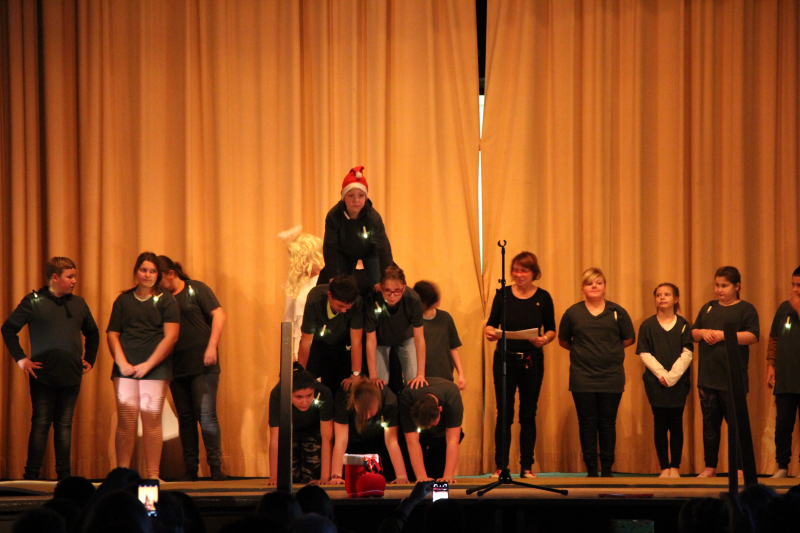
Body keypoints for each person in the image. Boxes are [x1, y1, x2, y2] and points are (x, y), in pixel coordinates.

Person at [2, 256, 100, 481]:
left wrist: (90, 358)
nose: (75, 281)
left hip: (71, 374)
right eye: (70, 276)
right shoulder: (33, 301)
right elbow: (8, 329)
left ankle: (64, 477)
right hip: (43, 375)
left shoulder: (79, 304)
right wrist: (21, 359)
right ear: (55, 278)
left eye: (75, 276)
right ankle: (31, 476)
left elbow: (93, 333)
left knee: (64, 426)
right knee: (40, 424)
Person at [107, 252, 180, 480]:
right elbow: (112, 333)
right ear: (136, 272)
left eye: (152, 271)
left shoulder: (167, 300)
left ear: (158, 275)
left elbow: (171, 336)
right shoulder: (123, 300)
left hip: (155, 368)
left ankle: (152, 476)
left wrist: (148, 364)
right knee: (126, 422)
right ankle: (122, 475)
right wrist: (122, 363)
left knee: (151, 422)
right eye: (143, 270)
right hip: (125, 368)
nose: (147, 275)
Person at [483, 251, 555, 478]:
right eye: (515, 270)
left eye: (524, 270)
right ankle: (501, 466)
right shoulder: (503, 295)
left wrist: (544, 339)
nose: (518, 274)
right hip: (504, 359)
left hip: (532, 361)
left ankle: (526, 467)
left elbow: (551, 329)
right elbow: (491, 324)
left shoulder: (543, 297)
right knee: (504, 413)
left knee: (528, 414)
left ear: (534, 273)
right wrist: (490, 332)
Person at [558, 267, 635, 477]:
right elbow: (563, 340)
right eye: (589, 283)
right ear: (583, 288)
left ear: (605, 287)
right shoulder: (572, 313)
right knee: (587, 424)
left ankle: (607, 469)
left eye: (598, 283)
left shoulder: (617, 312)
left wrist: (609, 351)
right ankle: (591, 469)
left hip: (611, 377)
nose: (594, 286)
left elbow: (629, 339)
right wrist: (584, 352)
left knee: (608, 424)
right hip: (582, 378)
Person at [157, 255, 227, 481]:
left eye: (160, 278)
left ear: (171, 274)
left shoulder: (196, 289)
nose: (158, 284)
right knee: (185, 418)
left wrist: (212, 347)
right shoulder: (161, 298)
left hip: (203, 364)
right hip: (176, 366)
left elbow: (219, 315)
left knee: (206, 415)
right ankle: (190, 469)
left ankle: (215, 468)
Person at [691, 266, 759, 478]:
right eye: (717, 285)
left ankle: (739, 468)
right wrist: (703, 332)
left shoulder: (746, 309)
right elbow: (694, 333)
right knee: (709, 424)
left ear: (737, 286)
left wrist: (723, 335)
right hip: (708, 376)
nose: (719, 290)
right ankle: (710, 467)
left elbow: (752, 336)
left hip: (732, 377)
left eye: (724, 285)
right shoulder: (708, 308)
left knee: (736, 425)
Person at [636, 283, 693, 478]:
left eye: (667, 294)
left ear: (676, 299)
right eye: (658, 295)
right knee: (659, 424)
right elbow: (644, 353)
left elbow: (687, 352)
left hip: (678, 383)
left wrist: (672, 377)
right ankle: (664, 467)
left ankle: (675, 467)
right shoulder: (647, 325)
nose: (662, 298)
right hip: (656, 384)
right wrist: (662, 374)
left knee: (676, 424)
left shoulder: (683, 324)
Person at [322, 166, 393, 290]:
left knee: (379, 285)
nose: (356, 200)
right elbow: (329, 247)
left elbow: (383, 248)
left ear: (366, 198)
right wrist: (332, 276)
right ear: (343, 197)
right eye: (351, 195)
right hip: (343, 252)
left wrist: (388, 277)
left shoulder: (373, 218)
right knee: (341, 287)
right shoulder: (334, 216)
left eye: (361, 195)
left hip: (370, 252)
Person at [329, 378, 409, 484]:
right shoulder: (344, 397)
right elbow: (341, 441)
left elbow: (392, 442)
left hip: (377, 441)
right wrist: (336, 476)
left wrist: (401, 476)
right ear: (354, 402)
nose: (366, 416)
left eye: (370, 411)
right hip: (352, 443)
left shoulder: (388, 400)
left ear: (378, 403)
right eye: (362, 412)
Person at [297, 274, 363, 396]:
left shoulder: (357, 302)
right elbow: (306, 342)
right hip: (317, 342)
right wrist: (301, 374)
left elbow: (356, 342)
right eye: (340, 306)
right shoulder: (315, 299)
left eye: (348, 307)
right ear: (329, 295)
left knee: (337, 385)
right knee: (308, 381)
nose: (344, 311)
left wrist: (356, 374)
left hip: (341, 344)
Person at [268, 370, 334, 485]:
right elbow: (275, 439)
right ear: (288, 393)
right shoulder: (278, 394)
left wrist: (325, 477)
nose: (305, 402)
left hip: (314, 432)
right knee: (289, 478)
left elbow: (327, 438)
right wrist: (274, 477)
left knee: (312, 478)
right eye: (299, 397)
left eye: (309, 396)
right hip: (289, 432)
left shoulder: (323, 392)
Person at [364, 266, 426, 388]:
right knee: (380, 383)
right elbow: (370, 340)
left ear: (404, 287)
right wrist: (373, 376)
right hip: (381, 340)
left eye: (397, 290)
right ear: (380, 287)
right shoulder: (372, 300)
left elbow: (419, 339)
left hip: (405, 338)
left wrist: (420, 374)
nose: (392, 295)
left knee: (413, 379)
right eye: (387, 290)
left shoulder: (413, 299)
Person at [766, 266, 800, 478]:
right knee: (783, 425)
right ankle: (782, 467)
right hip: (786, 378)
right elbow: (774, 338)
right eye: (793, 285)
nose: (795, 289)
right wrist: (771, 365)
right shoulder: (784, 308)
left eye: (799, 285)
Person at [398, 377, 463, 483]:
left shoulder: (452, 395)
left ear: (440, 409)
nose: (430, 427)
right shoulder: (407, 397)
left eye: (433, 423)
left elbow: (453, 440)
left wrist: (448, 476)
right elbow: (411, 441)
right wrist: (421, 477)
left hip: (441, 436)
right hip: (420, 436)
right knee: (414, 477)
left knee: (437, 475)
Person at [279, 227, 324, 358]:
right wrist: (291, 352)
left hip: (320, 344)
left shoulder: (324, 280)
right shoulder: (294, 283)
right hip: (299, 345)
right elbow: (289, 318)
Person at [413, 281, 466, 390]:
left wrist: (461, 374)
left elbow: (453, 348)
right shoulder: (414, 322)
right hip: (420, 379)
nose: (438, 300)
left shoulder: (445, 318)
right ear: (423, 302)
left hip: (445, 376)